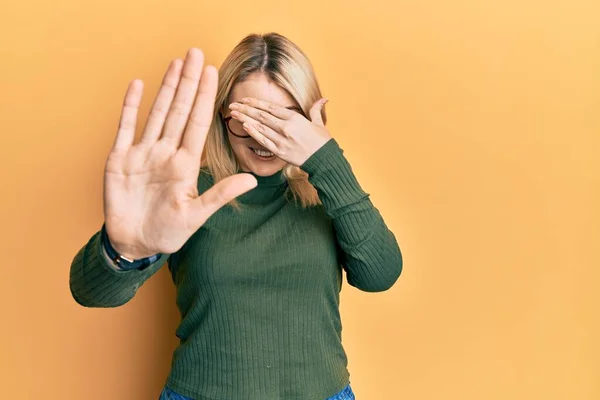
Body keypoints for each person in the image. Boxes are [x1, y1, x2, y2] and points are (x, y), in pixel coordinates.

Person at [69, 32, 403, 400]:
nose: (261, 136)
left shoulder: (329, 192)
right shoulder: (188, 193)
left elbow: (380, 275)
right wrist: (126, 250)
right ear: (222, 115)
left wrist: (326, 159)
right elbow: (90, 292)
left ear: (310, 118)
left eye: (279, 119)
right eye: (246, 117)